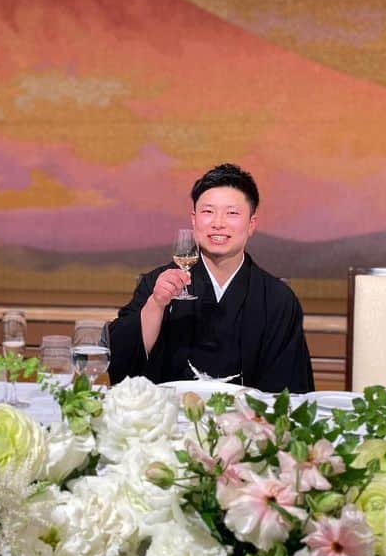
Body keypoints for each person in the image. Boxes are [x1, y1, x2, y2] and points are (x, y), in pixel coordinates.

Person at [108, 163, 314, 393]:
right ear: (194, 221)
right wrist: (156, 305)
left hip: (244, 424)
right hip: (170, 422)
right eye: (208, 212)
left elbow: (288, 391)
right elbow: (121, 367)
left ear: (251, 224)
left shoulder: (277, 299)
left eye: (232, 213)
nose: (218, 222)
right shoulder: (157, 284)